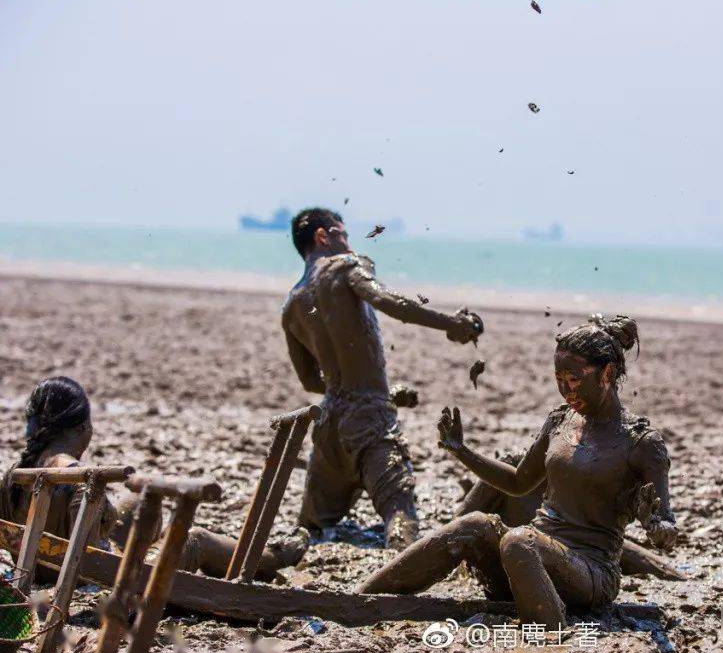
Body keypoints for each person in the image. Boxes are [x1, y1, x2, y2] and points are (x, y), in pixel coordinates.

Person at [358, 315, 678, 627]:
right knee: (474, 524)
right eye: (559, 381)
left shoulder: (641, 444)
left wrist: (658, 527)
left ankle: (550, 633)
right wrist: (462, 451)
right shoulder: (559, 420)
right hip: (530, 560)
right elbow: (517, 481)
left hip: (591, 573)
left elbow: (666, 527)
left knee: (518, 541)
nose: (566, 392)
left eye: (575, 381)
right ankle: (361, 599)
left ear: (607, 373)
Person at [281, 208, 483, 548]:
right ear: (322, 236)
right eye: (343, 234)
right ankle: (398, 584)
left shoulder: (292, 305)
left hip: (329, 427)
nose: (347, 243)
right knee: (400, 511)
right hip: (370, 423)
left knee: (311, 529)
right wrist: (453, 324)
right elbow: (390, 302)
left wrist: (386, 392)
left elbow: (310, 382)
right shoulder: (345, 266)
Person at [0, 377, 306, 583]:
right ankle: (273, 558)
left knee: (134, 502)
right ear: (81, 427)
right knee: (196, 539)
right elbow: (91, 559)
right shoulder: (82, 481)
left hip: (35, 569)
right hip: (92, 577)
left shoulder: (16, 474)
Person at [455, 450, 683, 587]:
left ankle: (679, 577)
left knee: (626, 554)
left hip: (570, 556)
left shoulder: (576, 480)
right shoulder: (511, 468)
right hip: (514, 559)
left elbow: (601, 537)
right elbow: (459, 525)